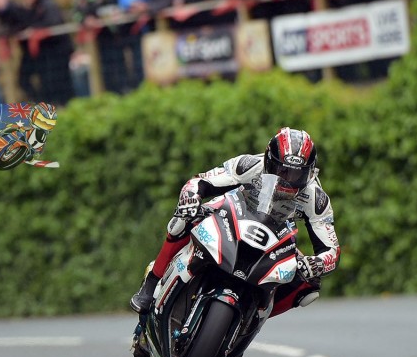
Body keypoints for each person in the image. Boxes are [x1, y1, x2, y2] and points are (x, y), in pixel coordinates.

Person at [130, 127, 340, 318]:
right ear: (269, 160)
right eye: (282, 170)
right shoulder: (248, 165)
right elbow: (200, 181)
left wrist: (318, 263)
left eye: (298, 174)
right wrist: (191, 198)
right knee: (183, 219)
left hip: (277, 235)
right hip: (234, 213)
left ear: (310, 171)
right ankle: (152, 283)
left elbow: (331, 250)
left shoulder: (316, 198)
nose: (289, 180)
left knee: (309, 285)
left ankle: (254, 317)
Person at [0, 0, 75, 105]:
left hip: (56, 51)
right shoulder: (31, 8)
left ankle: (60, 105)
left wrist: (34, 31)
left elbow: (52, 23)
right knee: (30, 80)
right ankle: (45, 103)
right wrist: (4, 9)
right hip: (42, 54)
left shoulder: (47, 5)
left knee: (58, 81)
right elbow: (18, 21)